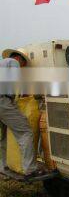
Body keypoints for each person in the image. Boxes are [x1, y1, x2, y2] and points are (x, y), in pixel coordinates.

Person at [0, 49, 42, 179]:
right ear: (19, 59)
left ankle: (3, 166)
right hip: (2, 101)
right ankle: (30, 170)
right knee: (25, 132)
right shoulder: (13, 62)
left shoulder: (2, 64)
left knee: (3, 136)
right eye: (23, 65)